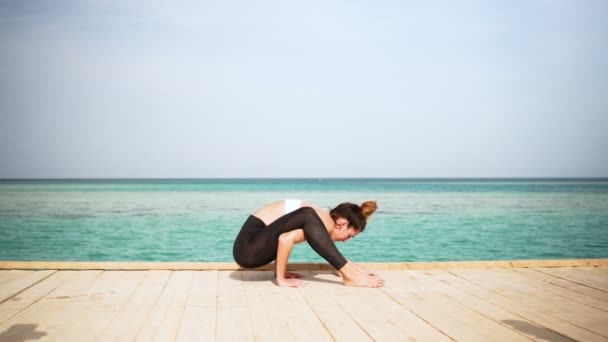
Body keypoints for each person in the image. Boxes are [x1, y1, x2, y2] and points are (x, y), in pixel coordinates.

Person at [232, 199, 385, 288]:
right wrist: (281, 278)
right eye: (350, 236)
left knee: (307, 215)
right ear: (343, 224)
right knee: (307, 213)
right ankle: (349, 274)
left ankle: (349, 271)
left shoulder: (319, 218)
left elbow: (281, 237)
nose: (346, 241)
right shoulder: (319, 219)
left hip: (251, 249)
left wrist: (356, 268)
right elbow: (285, 239)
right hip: (248, 250)